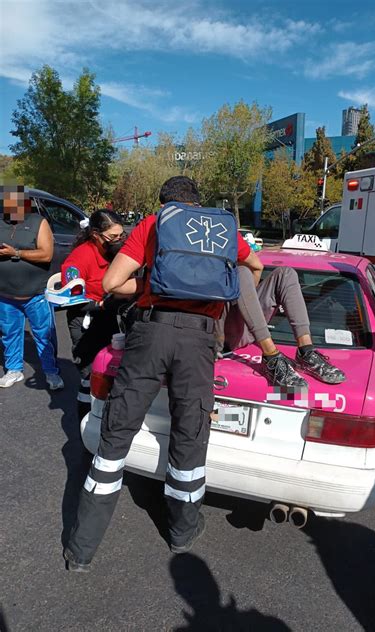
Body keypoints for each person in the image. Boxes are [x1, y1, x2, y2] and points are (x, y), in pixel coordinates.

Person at [64, 176, 254, 571]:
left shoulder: (153, 224)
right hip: (199, 341)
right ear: (198, 201)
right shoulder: (222, 229)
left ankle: (81, 550)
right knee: (190, 431)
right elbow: (256, 264)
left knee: (117, 434)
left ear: (165, 202)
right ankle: (182, 533)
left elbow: (114, 283)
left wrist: (153, 280)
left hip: (151, 333)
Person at [216, 265, 346, 387]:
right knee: (241, 272)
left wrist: (246, 298)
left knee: (285, 273)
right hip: (214, 335)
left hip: (238, 327)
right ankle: (271, 356)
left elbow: (257, 266)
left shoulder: (229, 242)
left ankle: (306, 351)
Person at [61, 210, 127, 419]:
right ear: (95, 235)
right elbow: (71, 297)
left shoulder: (114, 254)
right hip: (86, 321)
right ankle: (86, 421)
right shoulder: (80, 258)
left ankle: (106, 416)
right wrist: (98, 304)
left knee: (111, 368)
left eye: (120, 236)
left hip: (108, 318)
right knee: (90, 376)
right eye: (112, 237)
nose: (117, 241)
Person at [0, 185, 63, 390]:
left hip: (36, 294)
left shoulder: (38, 222)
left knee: (44, 335)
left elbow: (46, 254)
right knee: (9, 334)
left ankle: (51, 372)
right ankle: (14, 370)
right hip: (6, 294)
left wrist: (15, 253)